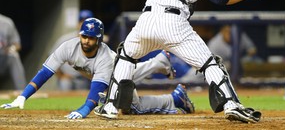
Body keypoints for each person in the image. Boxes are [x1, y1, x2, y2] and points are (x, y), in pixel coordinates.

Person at [95, 0, 263, 123]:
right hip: (173, 24)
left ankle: (110, 106)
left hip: (146, 22)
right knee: (210, 63)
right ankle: (231, 105)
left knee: (126, 56)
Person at [0, 18, 194, 118]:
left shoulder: (104, 58)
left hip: (115, 71)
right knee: (134, 74)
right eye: (84, 36)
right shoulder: (68, 47)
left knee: (133, 108)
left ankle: (174, 99)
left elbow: (95, 92)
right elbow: (45, 73)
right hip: (110, 73)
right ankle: (161, 64)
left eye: (91, 38)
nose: (86, 40)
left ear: (99, 39)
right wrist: (22, 96)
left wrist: (84, 110)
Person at [49, 9, 95, 90]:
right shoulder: (65, 39)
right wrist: (61, 75)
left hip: (84, 79)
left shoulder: (95, 42)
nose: (83, 25)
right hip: (67, 78)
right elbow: (52, 58)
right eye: (81, 21)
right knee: (65, 87)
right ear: (77, 24)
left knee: (82, 100)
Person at [0, 13, 26, 90]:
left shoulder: (6, 22)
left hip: (3, 58)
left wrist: (11, 49)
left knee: (13, 55)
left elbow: (17, 44)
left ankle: (22, 93)